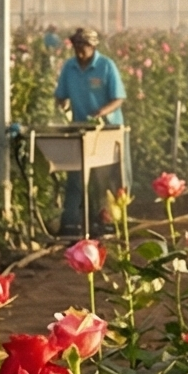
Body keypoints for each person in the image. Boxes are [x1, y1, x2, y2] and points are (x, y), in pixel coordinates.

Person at [51, 27, 126, 235]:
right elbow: (61, 95)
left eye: (82, 46)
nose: (79, 51)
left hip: (107, 130)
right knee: (76, 175)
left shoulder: (105, 66)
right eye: (76, 46)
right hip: (80, 128)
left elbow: (118, 98)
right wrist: (62, 104)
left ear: (93, 47)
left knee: (105, 178)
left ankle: (108, 220)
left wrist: (102, 111)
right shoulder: (69, 67)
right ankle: (72, 222)